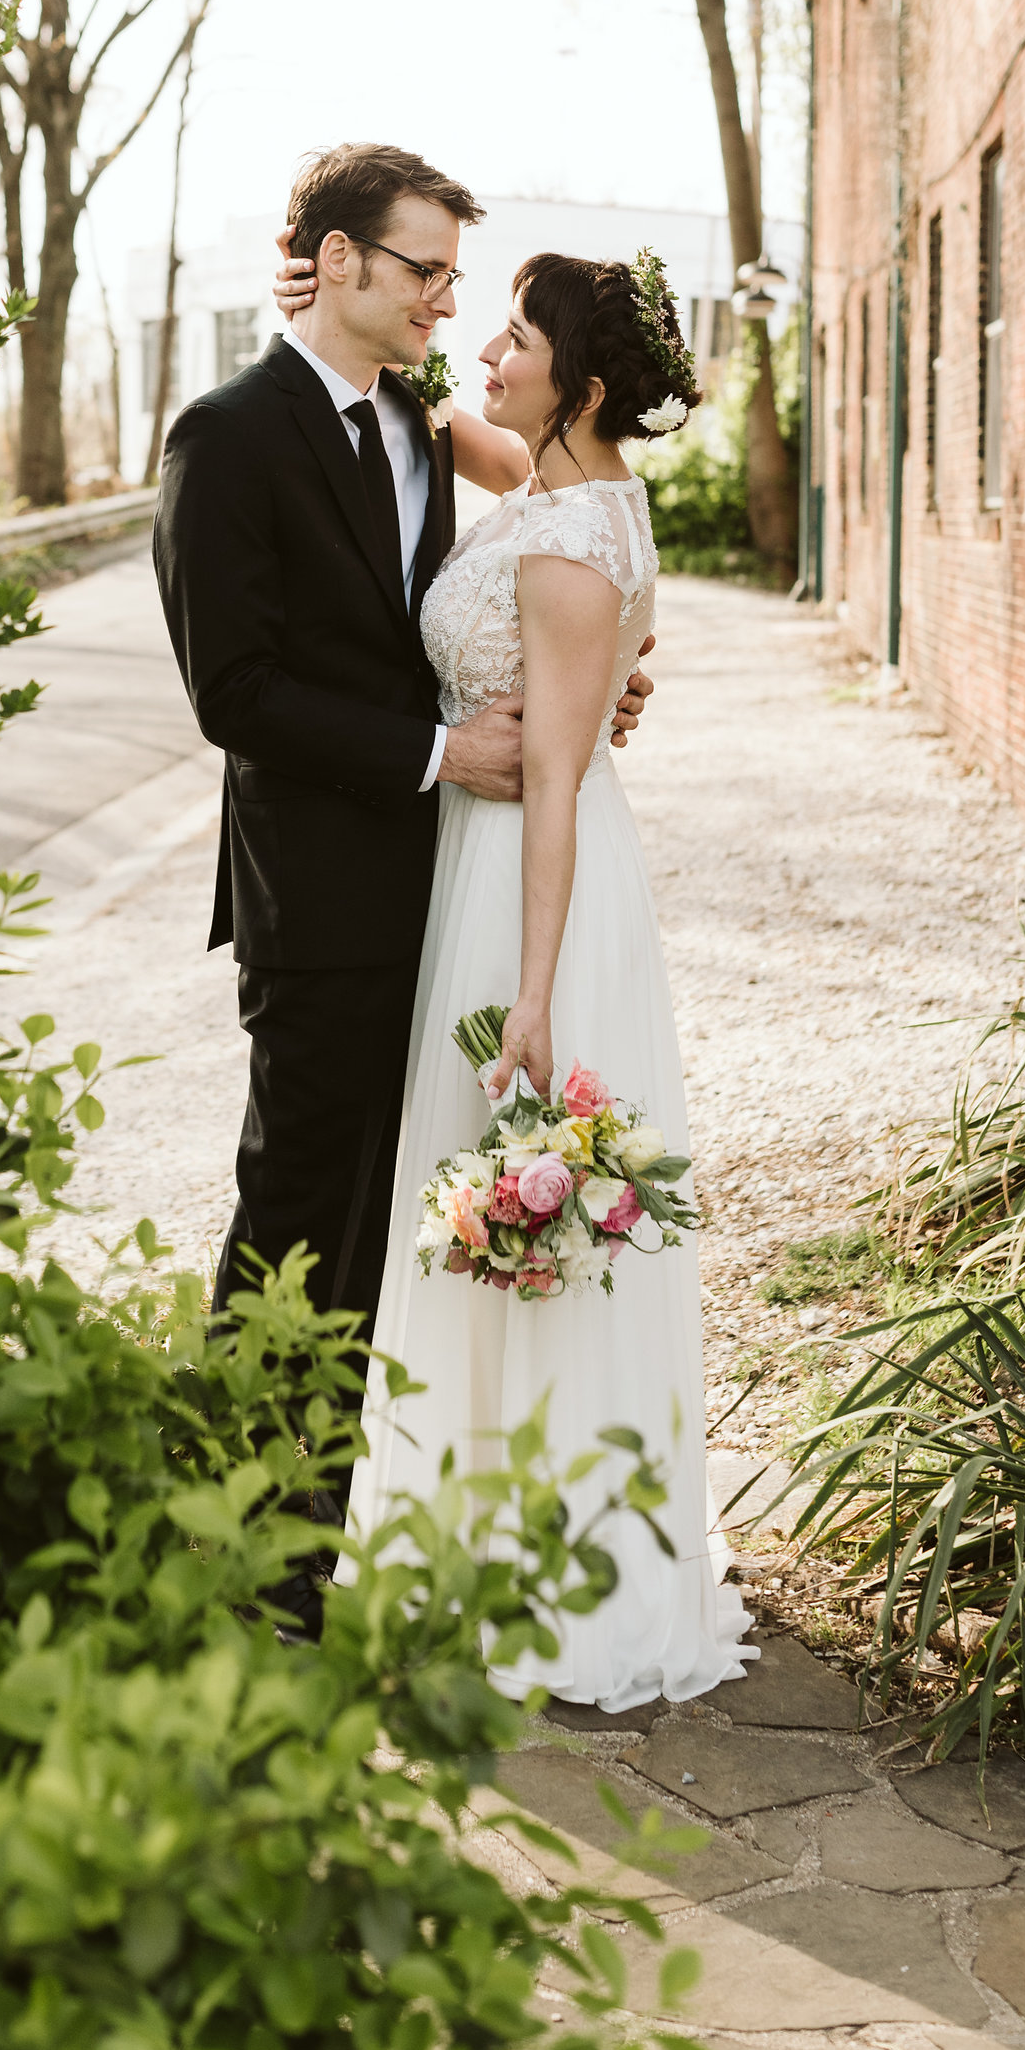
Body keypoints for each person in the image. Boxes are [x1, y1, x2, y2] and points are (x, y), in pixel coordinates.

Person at [273, 238, 751, 1708]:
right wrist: (335, 318)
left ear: (581, 383)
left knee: (517, 1215)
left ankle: (545, 1566)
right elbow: (446, 420)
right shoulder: (574, 488)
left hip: (532, 892)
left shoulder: (561, 540)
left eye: (516, 340)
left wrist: (531, 993)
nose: (487, 352)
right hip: (511, 867)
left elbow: (551, 781)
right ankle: (500, 1528)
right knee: (503, 1228)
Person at [152, 143, 656, 1341]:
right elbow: (233, 691)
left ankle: (359, 1500)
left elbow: (560, 538)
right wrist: (442, 755)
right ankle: (243, 1503)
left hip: (451, 884)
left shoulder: (419, 416)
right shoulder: (223, 437)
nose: (446, 301)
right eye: (425, 272)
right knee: (295, 1208)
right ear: (336, 260)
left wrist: (589, 688)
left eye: (452, 276)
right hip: (320, 887)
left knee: (406, 1217)